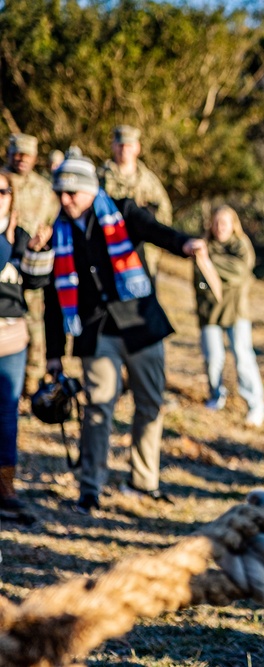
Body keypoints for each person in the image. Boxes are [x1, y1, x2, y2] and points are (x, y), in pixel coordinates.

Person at [41, 152, 205, 515]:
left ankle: (143, 483)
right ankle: (90, 488)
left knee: (150, 404)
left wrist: (186, 244)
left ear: (89, 189)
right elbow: (53, 299)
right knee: (99, 406)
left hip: (141, 323)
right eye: (60, 193)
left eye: (72, 193)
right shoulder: (58, 232)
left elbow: (157, 231)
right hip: (95, 331)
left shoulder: (122, 211)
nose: (65, 200)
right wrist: (54, 353)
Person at [194, 206, 264, 427]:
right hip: (210, 313)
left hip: (236, 312)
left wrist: (209, 263)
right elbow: (200, 280)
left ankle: (256, 404)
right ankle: (216, 395)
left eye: (224, 222)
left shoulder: (241, 246)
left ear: (233, 224)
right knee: (213, 358)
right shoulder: (203, 246)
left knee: (243, 358)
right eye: (216, 222)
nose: (220, 227)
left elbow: (240, 272)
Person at [0, 171, 44, 520]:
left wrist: (38, 252)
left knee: (8, 413)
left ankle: (6, 488)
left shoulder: (20, 235)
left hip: (11, 337)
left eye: (2, 192)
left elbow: (35, 281)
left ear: (12, 196)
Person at [2, 133, 60, 396]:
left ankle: (31, 384)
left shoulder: (44, 189)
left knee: (35, 324)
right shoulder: (2, 181)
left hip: (32, 265)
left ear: (36, 157)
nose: (21, 158)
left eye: (27, 154)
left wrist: (43, 244)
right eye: (17, 152)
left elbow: (53, 223)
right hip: (4, 267)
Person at [99, 125, 173, 279]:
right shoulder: (100, 178)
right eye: (120, 145)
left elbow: (164, 215)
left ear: (137, 148)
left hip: (144, 256)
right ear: (113, 146)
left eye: (129, 145)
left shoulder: (149, 181)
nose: (124, 149)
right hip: (108, 251)